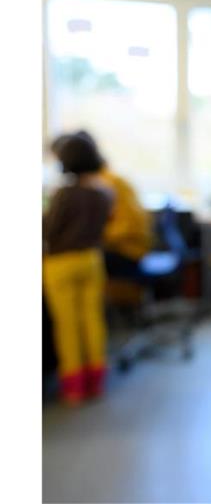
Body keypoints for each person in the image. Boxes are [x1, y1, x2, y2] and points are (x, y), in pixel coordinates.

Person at [43, 133, 113, 405]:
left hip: (60, 262)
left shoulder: (63, 194)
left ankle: (74, 386)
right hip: (91, 260)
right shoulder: (103, 194)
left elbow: (49, 229)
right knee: (92, 320)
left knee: (67, 325)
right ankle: (96, 380)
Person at [52, 131, 153, 280]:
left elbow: (127, 227)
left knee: (67, 261)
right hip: (122, 248)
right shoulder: (106, 180)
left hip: (127, 251)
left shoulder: (104, 185)